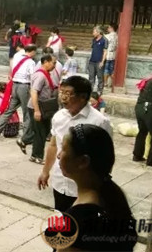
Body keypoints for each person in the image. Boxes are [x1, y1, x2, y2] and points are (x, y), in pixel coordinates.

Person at [53, 124, 137, 251]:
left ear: (83, 162)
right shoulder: (111, 199)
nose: (58, 155)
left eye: (64, 149)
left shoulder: (80, 219)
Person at [37, 76, 112, 212]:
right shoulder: (59, 117)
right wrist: (45, 171)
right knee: (61, 221)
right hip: (60, 181)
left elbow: (105, 156)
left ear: (83, 97)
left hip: (84, 187)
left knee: (81, 225)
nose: (63, 97)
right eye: (61, 92)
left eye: (68, 93)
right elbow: (53, 145)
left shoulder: (99, 122)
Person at [0, 44, 37, 140]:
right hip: (24, 87)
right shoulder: (31, 62)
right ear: (32, 51)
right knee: (27, 112)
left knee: (9, 110)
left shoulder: (17, 58)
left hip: (15, 86)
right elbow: (32, 76)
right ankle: (26, 136)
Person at [18, 54, 57, 164]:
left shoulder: (45, 74)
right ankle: (37, 156)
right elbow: (34, 92)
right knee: (40, 132)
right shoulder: (41, 75)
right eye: (53, 63)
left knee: (41, 131)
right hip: (38, 106)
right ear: (46, 62)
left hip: (42, 106)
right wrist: (37, 110)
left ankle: (32, 151)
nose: (54, 65)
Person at [88, 26, 108, 94]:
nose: (93, 33)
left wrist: (102, 61)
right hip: (92, 61)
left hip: (99, 61)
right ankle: (90, 90)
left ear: (98, 32)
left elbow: (105, 51)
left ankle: (100, 90)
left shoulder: (104, 40)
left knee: (100, 77)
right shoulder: (94, 39)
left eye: (94, 32)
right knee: (91, 76)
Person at [104, 22, 118, 91]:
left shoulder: (108, 36)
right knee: (112, 70)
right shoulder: (117, 36)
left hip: (107, 55)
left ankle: (105, 83)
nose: (108, 28)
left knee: (106, 69)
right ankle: (113, 83)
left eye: (109, 27)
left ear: (112, 28)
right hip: (113, 55)